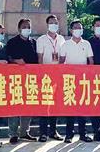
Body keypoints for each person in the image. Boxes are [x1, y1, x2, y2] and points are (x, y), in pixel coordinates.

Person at [59, 20, 94, 143]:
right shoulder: (65, 44)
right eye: (75, 28)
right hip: (70, 80)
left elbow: (91, 61)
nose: (78, 30)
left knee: (83, 108)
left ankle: (83, 134)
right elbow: (61, 61)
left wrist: (90, 75)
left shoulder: (87, 44)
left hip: (83, 80)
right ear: (71, 30)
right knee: (70, 108)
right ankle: (69, 134)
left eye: (80, 28)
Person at [5, 18, 38, 144]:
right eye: (24, 27)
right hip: (16, 79)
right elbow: (8, 58)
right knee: (15, 106)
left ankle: (24, 132)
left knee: (28, 106)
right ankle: (13, 134)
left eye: (28, 27)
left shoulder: (33, 42)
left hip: (30, 79)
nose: (26, 29)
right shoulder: (12, 42)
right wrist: (15, 61)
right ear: (19, 29)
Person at [36, 14, 65, 142]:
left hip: (58, 75)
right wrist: (41, 75)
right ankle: (43, 133)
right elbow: (40, 58)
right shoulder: (41, 40)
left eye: (56, 23)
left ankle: (53, 131)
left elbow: (63, 57)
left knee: (55, 105)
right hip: (46, 77)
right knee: (44, 105)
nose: (54, 25)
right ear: (47, 25)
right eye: (52, 22)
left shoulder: (62, 39)